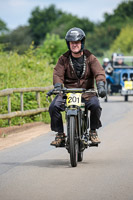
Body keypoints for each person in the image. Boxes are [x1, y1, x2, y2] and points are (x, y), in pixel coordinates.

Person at [49, 27, 106, 147]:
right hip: (67, 93)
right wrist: (58, 86)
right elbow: (57, 73)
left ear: (82, 43)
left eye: (77, 42)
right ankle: (60, 134)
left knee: (96, 105)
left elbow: (99, 72)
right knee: (53, 106)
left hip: (87, 93)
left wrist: (100, 85)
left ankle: (93, 131)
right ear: (68, 44)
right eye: (72, 42)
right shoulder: (63, 59)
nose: (74, 45)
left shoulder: (90, 57)